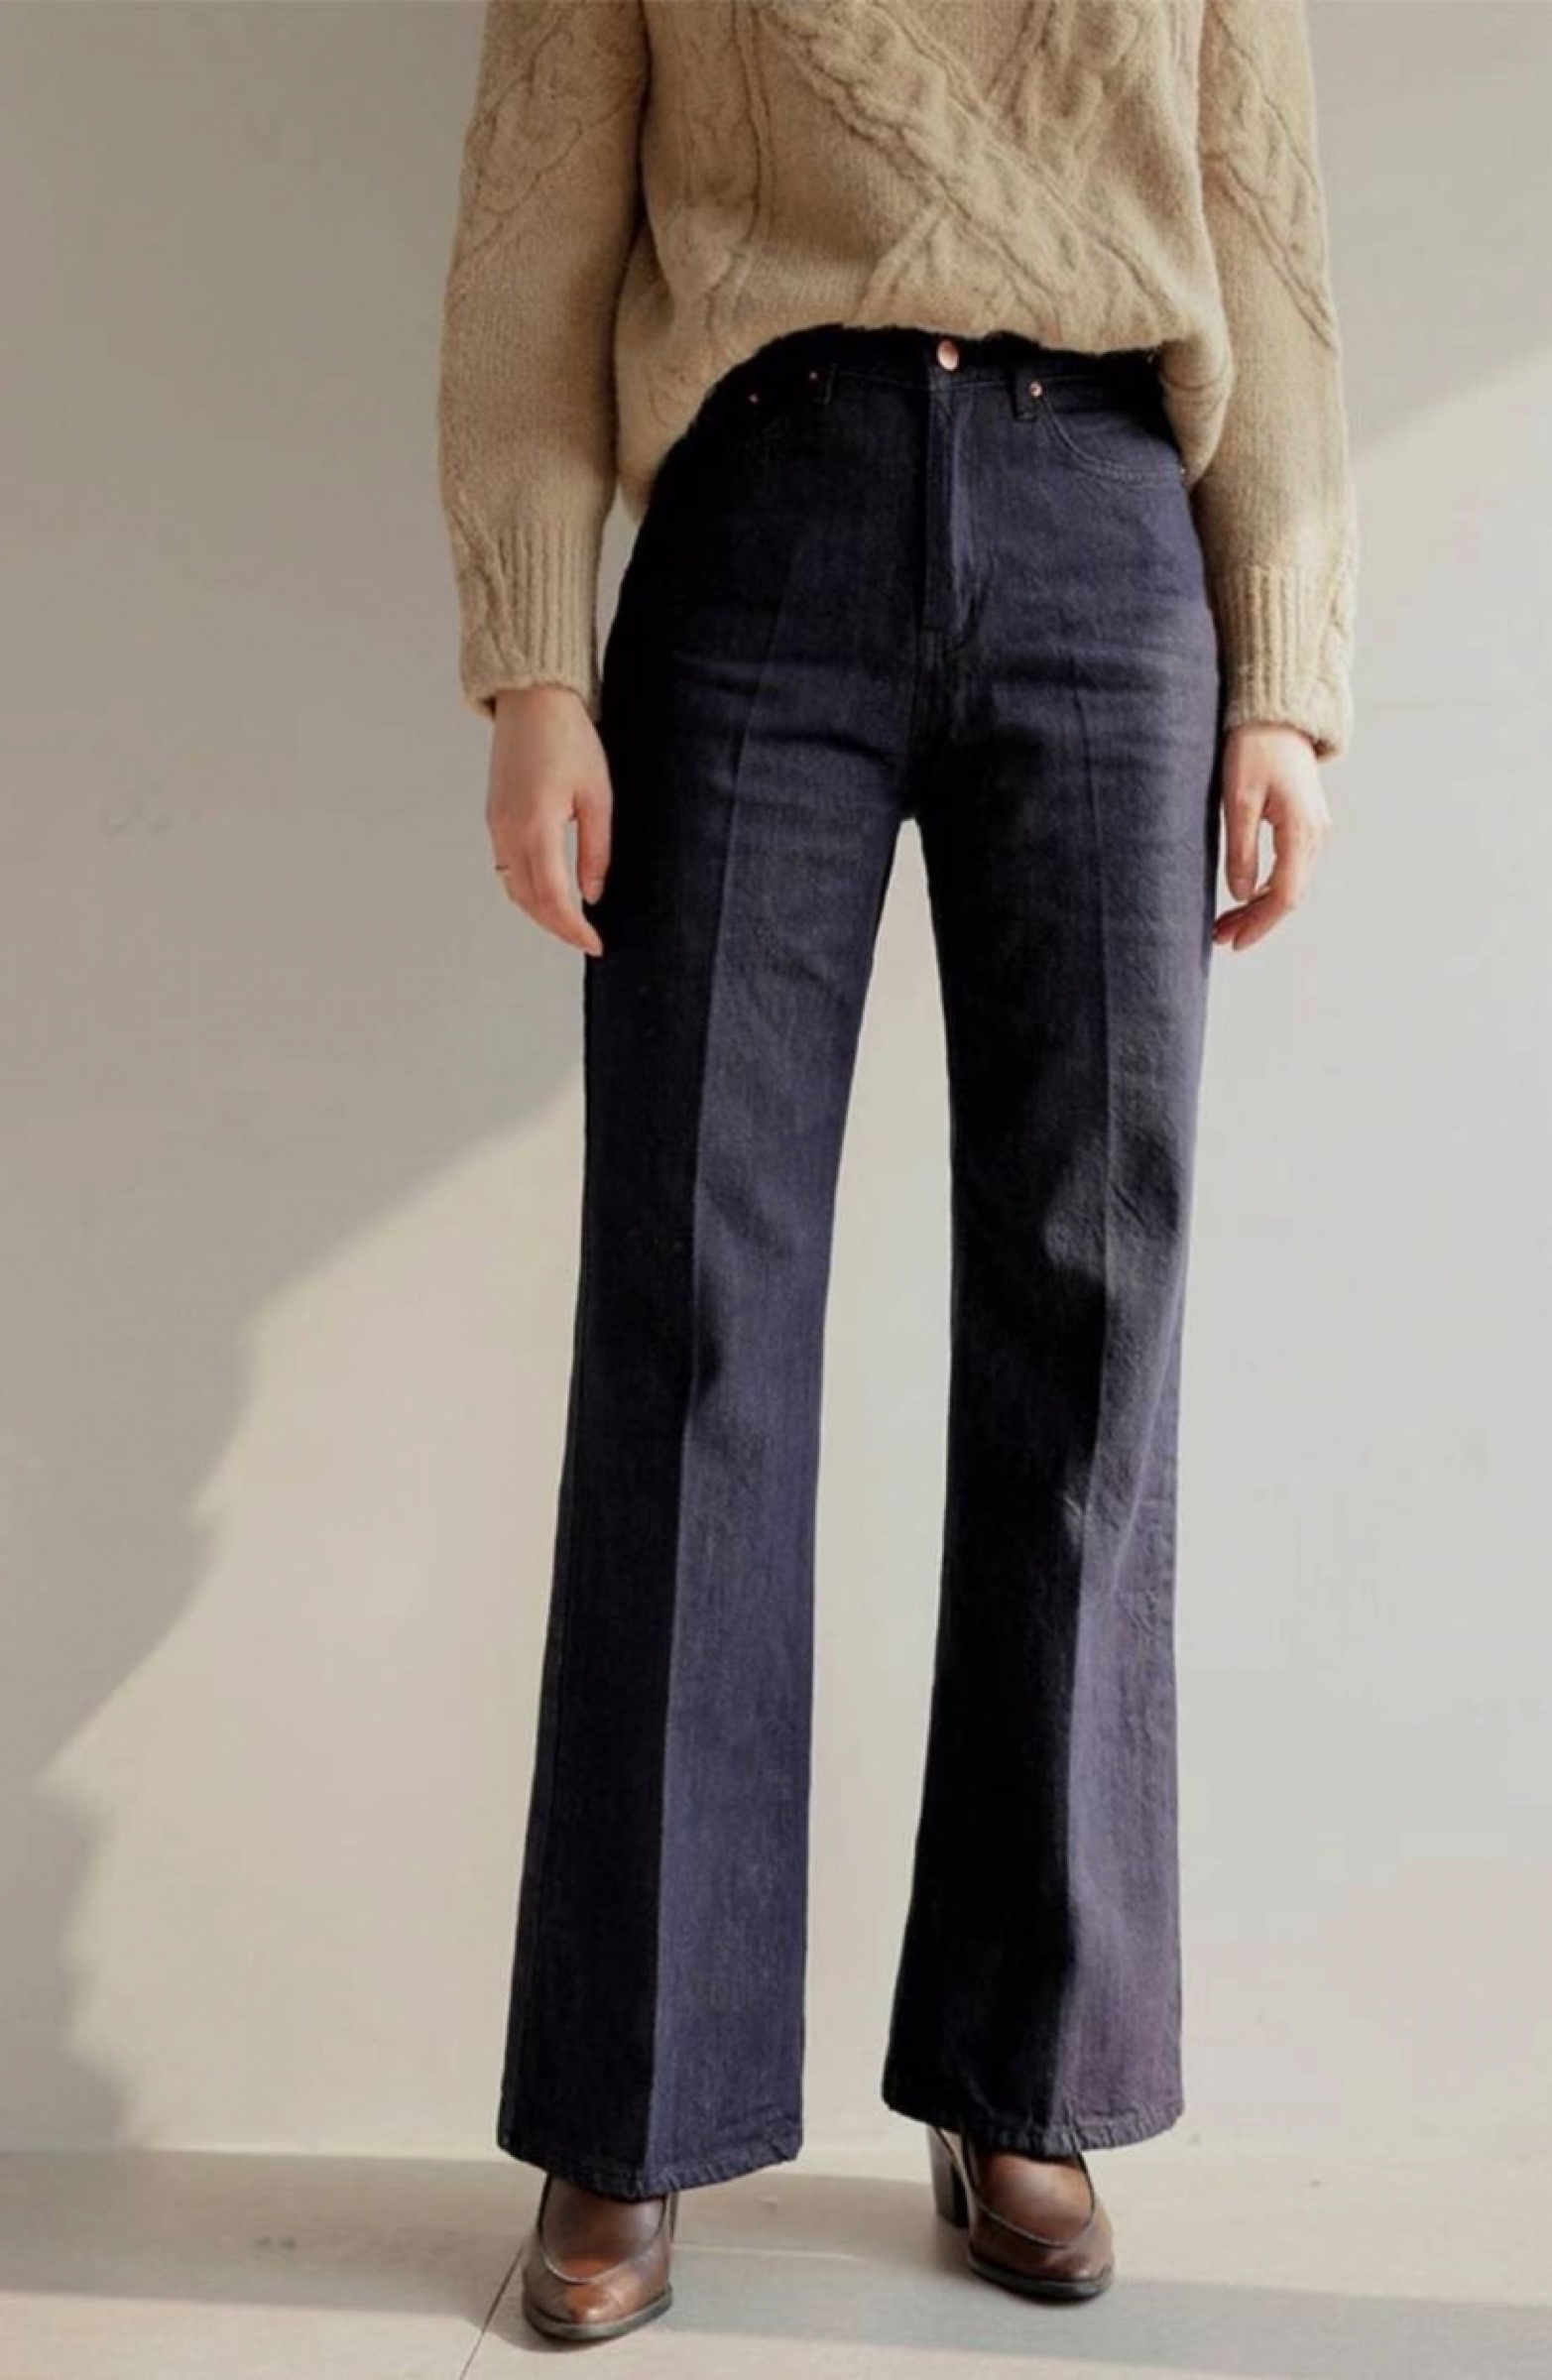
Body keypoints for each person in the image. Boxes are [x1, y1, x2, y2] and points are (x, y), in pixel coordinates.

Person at [437, 0, 1357, 2344]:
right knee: (694, 1312)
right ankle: (632, 2100)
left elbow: (1262, 232)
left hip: (1109, 537)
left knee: (1090, 1306)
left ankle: (1020, 2077)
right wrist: (534, 664)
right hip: (763, 517)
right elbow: (535, 239)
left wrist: (1281, 667)